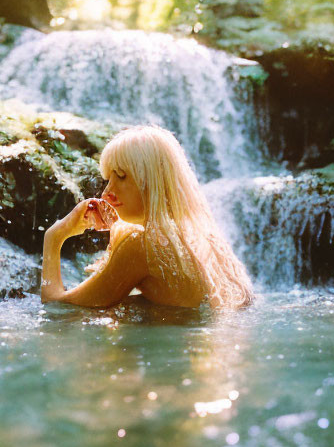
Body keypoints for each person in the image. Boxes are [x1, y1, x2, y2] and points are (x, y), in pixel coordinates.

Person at [40, 125, 253, 309]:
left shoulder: (139, 245)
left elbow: (57, 307)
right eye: (108, 178)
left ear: (153, 183)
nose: (106, 192)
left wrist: (55, 236)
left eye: (121, 177)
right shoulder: (198, 237)